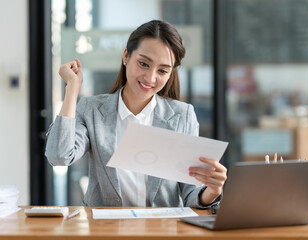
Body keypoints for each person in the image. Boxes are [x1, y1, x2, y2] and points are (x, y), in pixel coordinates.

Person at [45, 20, 227, 208]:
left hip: (161, 230)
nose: (150, 78)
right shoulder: (92, 109)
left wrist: (212, 191)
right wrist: (72, 89)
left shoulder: (183, 115)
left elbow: (190, 194)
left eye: (163, 70)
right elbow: (59, 156)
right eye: (143, 63)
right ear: (126, 56)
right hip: (104, 229)